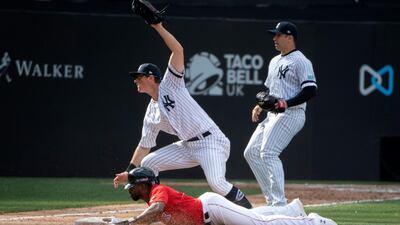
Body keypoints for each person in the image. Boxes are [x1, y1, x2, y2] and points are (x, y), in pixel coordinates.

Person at [113, 21, 252, 209]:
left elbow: (178, 50)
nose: (136, 80)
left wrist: (157, 26)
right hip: (188, 145)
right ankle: (159, 208)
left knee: (217, 183)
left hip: (211, 142)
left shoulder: (171, 85)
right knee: (148, 162)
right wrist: (129, 172)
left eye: (139, 77)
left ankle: (250, 213)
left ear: (152, 77)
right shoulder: (151, 111)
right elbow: (144, 145)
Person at [244, 21, 318, 206]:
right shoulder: (274, 61)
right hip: (273, 115)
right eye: (274, 35)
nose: (274, 38)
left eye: (278, 35)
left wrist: (286, 103)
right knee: (251, 152)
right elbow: (272, 91)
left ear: (289, 37)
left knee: (268, 152)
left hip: (292, 113)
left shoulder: (301, 61)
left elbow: (310, 90)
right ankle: (272, 201)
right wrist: (260, 105)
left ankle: (279, 204)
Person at [123, 167, 337, 225]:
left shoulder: (158, 193)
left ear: (144, 183)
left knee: (258, 223)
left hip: (212, 209)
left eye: (132, 185)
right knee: (252, 217)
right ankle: (291, 210)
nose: (130, 189)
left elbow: (156, 210)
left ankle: (313, 221)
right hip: (209, 219)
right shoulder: (152, 200)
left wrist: (131, 223)